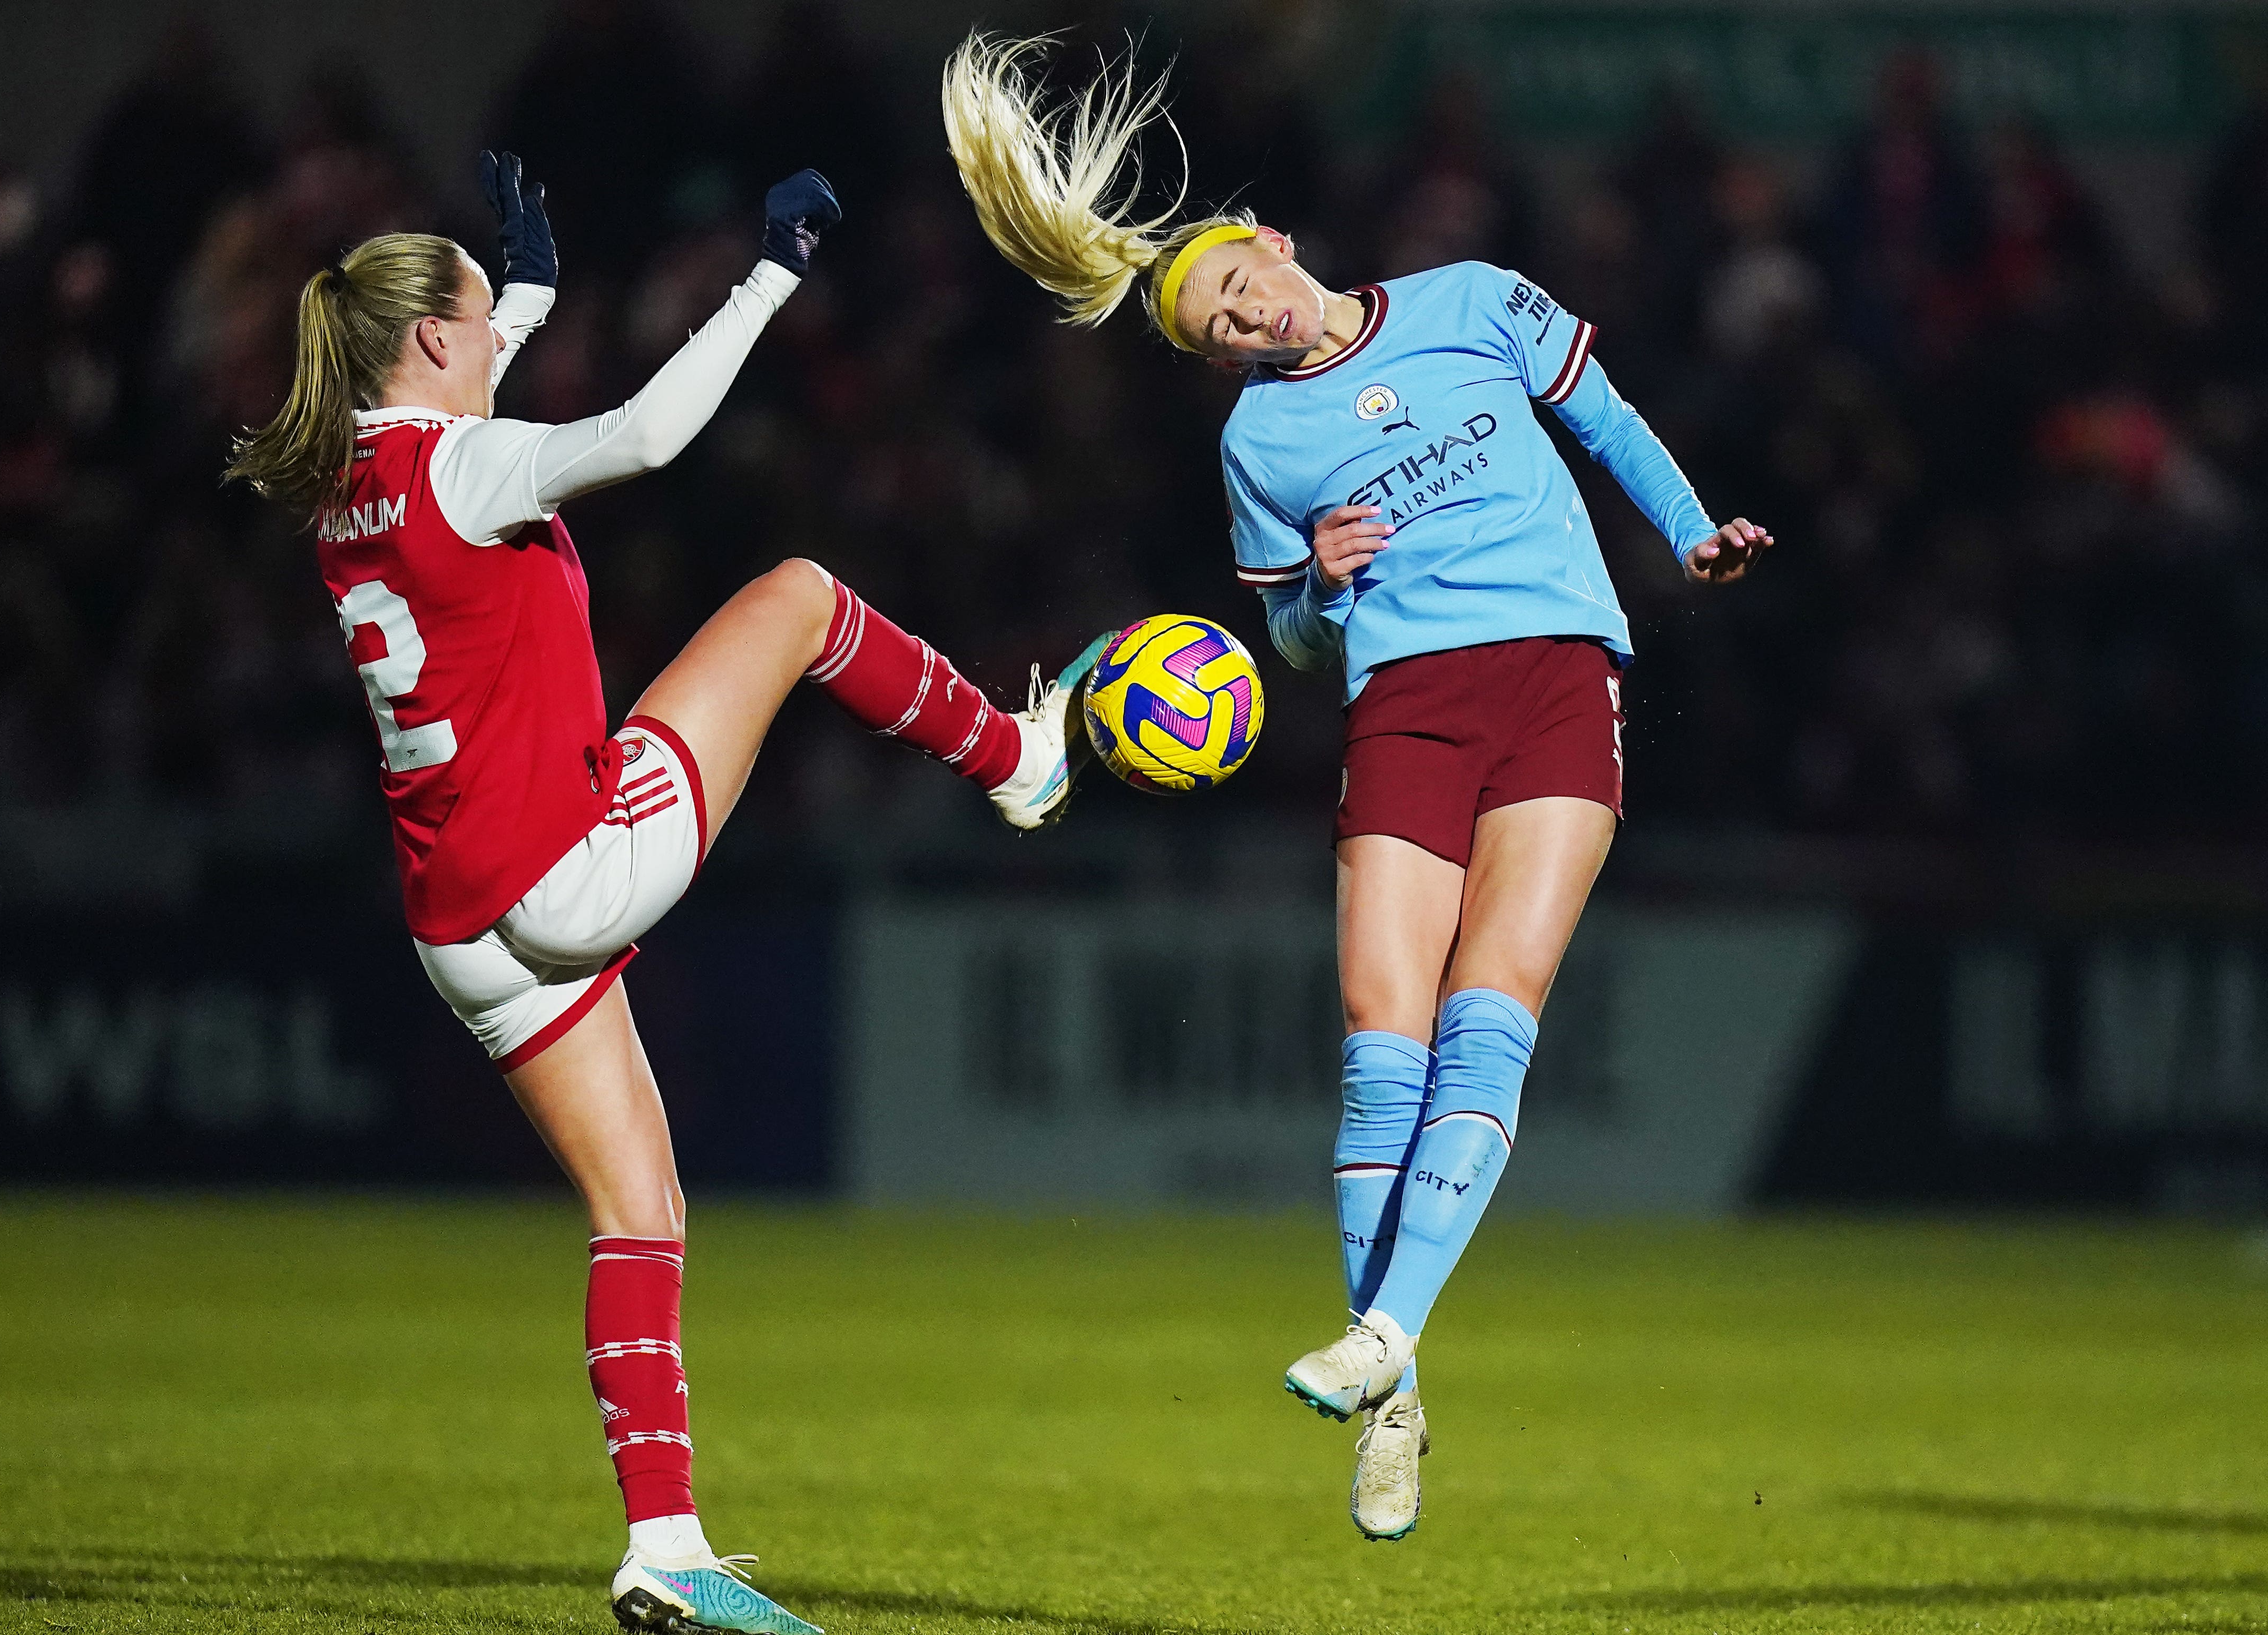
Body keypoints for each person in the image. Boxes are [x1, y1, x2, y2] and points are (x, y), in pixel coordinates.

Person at [225, 151, 1105, 1634]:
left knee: (639, 1207)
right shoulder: (463, 467)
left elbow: (462, 388)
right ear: (437, 342)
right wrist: (767, 279)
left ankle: (666, 1549)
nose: (491, 338)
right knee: (801, 601)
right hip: (571, 869)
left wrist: (530, 288)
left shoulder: (347, 489)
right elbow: (641, 436)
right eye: (477, 317)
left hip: (461, 924)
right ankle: (1017, 756)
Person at [941, 36, 1773, 1543]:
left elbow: (1607, 417)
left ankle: (1384, 1337)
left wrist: (1694, 529)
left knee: (1490, 1010)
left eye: (1235, 284)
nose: (1246, 318)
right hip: (1409, 709)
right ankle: (1391, 1382)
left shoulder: (1469, 300)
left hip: (1558, 682)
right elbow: (1292, 648)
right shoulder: (1262, 443)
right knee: (1381, 1051)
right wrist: (1315, 595)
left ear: (1273, 241)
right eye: (1217, 330)